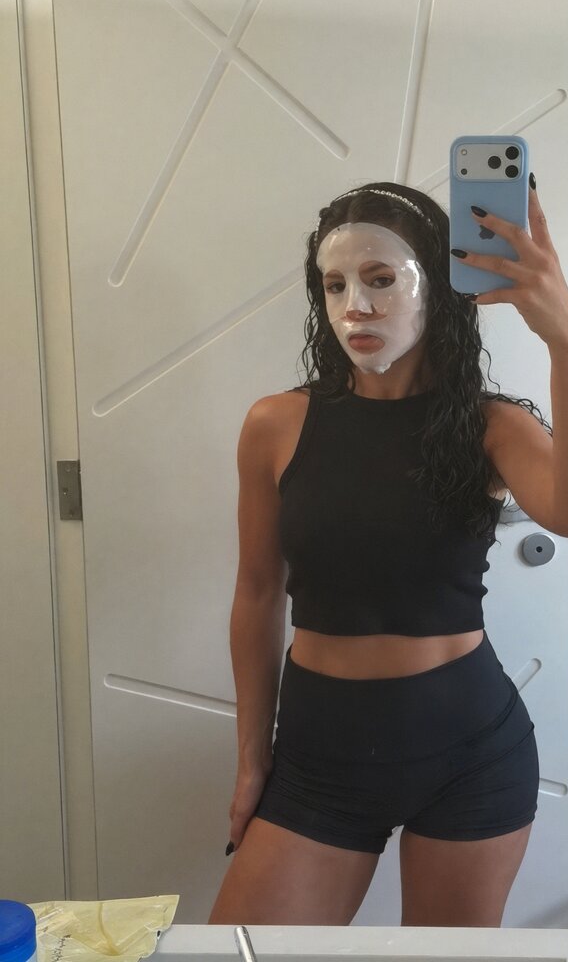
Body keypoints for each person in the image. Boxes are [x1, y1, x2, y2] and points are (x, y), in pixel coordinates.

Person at [207, 182, 546, 928]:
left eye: (381, 279)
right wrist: (251, 759)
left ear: (437, 288)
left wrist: (566, 335)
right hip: (317, 757)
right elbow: (257, 592)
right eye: (334, 285)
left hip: (469, 752)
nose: (354, 306)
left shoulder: (491, 427)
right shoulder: (275, 424)